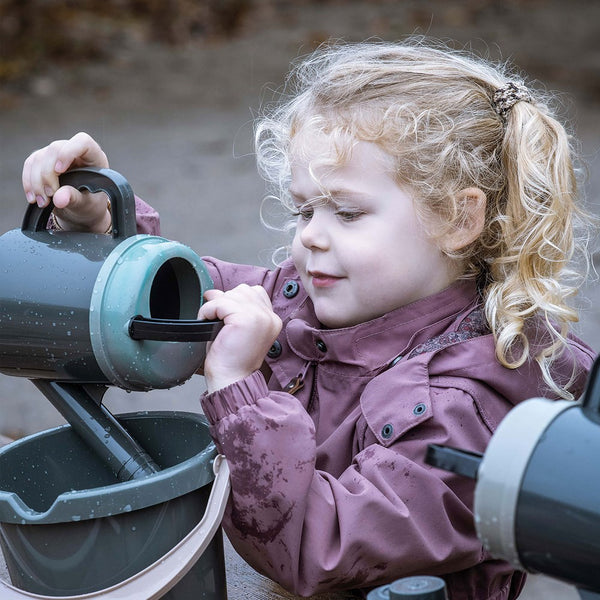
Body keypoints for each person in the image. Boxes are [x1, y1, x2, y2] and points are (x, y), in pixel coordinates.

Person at [22, 39, 596, 600]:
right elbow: (179, 299)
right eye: (304, 208)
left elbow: (316, 551)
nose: (310, 236)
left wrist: (239, 389)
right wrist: (103, 226)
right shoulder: (311, 300)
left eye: (346, 212)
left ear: (457, 218)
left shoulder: (465, 406)